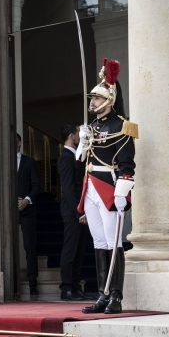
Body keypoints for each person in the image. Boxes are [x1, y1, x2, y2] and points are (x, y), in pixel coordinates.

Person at [76, 59, 137, 315]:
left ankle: (116, 296)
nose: (92, 102)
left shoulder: (122, 126)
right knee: (99, 242)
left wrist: (122, 193)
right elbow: (83, 159)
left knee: (114, 243)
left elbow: (127, 165)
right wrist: (83, 142)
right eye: (92, 98)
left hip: (110, 187)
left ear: (109, 100)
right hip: (90, 187)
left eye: (97, 99)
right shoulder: (93, 127)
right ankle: (103, 293)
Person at [0, 133, 40, 295]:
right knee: (8, 246)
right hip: (9, 212)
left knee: (29, 246)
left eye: (14, 141)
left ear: (19, 142)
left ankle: (33, 282)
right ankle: (9, 283)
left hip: (28, 210)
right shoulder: (2, 163)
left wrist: (26, 200)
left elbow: (36, 185)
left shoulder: (30, 162)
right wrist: (12, 200)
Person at [57, 123, 92, 301]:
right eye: (78, 133)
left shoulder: (75, 156)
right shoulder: (65, 158)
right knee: (70, 250)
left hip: (81, 210)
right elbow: (69, 189)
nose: (80, 136)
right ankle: (66, 288)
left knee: (79, 251)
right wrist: (79, 213)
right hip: (73, 211)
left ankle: (76, 286)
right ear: (72, 135)